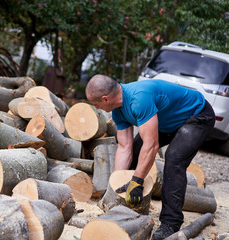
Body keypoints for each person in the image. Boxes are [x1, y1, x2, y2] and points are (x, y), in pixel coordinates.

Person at [85, 74, 215, 240]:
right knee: (137, 148)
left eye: (96, 104)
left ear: (105, 99)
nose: (97, 109)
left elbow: (152, 146)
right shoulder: (118, 110)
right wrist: (116, 183)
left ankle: (171, 223)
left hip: (196, 115)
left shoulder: (139, 99)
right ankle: (127, 208)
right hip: (168, 120)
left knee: (174, 159)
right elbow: (125, 147)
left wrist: (137, 181)